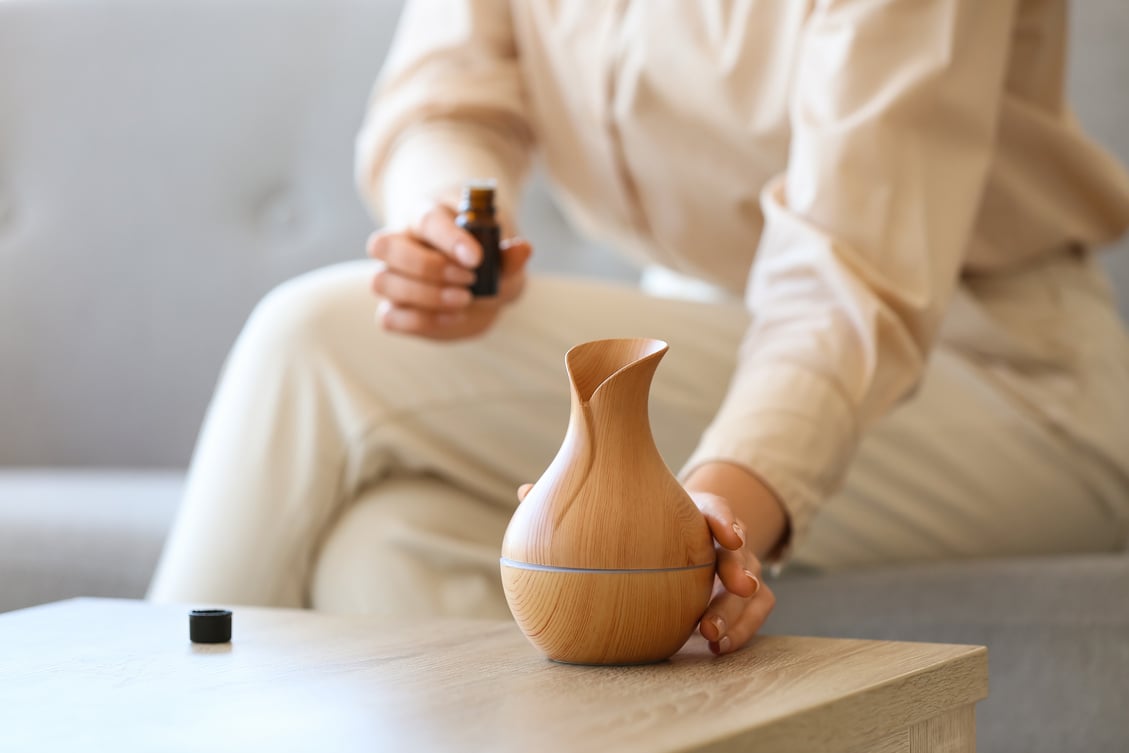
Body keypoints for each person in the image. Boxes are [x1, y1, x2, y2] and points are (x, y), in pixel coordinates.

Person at [148, 0, 1129, 656]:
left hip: (1007, 376)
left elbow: (846, 275)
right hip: (719, 330)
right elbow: (443, 97)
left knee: (316, 340)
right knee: (390, 547)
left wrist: (701, 514)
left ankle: (138, 727)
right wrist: (452, 233)